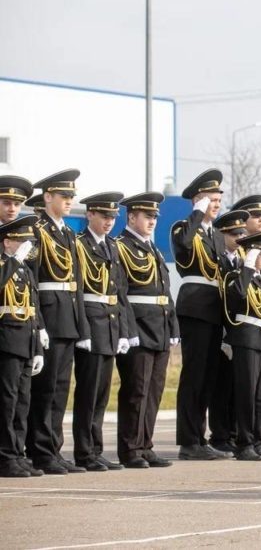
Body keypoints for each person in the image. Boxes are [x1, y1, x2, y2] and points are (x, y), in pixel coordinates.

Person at [28, 169, 89, 475]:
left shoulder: (67, 234)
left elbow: (76, 282)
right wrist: (37, 324)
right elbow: (32, 281)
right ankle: (40, 450)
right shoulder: (37, 231)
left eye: (71, 197)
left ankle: (53, 448)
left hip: (66, 315)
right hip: (49, 314)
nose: (69, 201)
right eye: (64, 196)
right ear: (47, 196)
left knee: (61, 388)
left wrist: (82, 326)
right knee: (45, 388)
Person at [172, 169, 231, 461]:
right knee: (194, 375)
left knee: (209, 376)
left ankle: (200, 437)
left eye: (219, 200)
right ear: (197, 201)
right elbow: (183, 247)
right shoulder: (183, 227)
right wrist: (196, 214)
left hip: (214, 307)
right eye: (211, 199)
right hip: (194, 305)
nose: (216, 205)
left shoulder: (217, 235)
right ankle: (188, 440)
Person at [115, 192, 177, 469]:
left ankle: (145, 445)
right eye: (146, 216)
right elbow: (121, 293)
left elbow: (166, 291)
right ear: (131, 217)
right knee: (136, 390)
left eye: (154, 217)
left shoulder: (154, 249)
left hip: (160, 327)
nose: (152, 221)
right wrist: (128, 331)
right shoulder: (121, 247)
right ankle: (130, 449)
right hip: (138, 327)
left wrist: (173, 326)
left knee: (154, 390)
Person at [72, 192, 132, 472]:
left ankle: (95, 449)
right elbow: (79, 291)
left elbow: (119, 291)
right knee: (88, 392)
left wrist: (123, 330)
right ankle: (84, 452)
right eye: (104, 216)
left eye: (112, 217)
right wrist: (82, 330)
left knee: (102, 395)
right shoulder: (79, 245)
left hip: (109, 325)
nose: (109, 222)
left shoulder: (112, 246)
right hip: (92, 324)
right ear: (90, 215)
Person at [222, 231, 261, 461]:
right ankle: (244, 443)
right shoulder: (236, 276)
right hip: (246, 338)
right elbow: (236, 297)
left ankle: (258, 441)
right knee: (247, 393)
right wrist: (246, 268)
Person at [0, 216, 45, 478]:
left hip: (26, 341)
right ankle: (5, 456)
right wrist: (13, 260)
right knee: (7, 401)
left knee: (22, 402)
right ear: (7, 242)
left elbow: (33, 309)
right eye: (21, 241)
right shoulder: (6, 265)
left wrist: (38, 346)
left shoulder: (25, 271)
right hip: (7, 341)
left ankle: (17, 453)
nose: (27, 246)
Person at [207, 210, 251, 457]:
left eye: (241, 234)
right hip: (222, 325)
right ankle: (220, 434)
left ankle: (233, 433)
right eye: (234, 235)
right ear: (222, 235)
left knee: (237, 385)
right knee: (221, 386)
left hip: (240, 328)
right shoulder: (218, 260)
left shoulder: (243, 259)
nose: (238, 239)